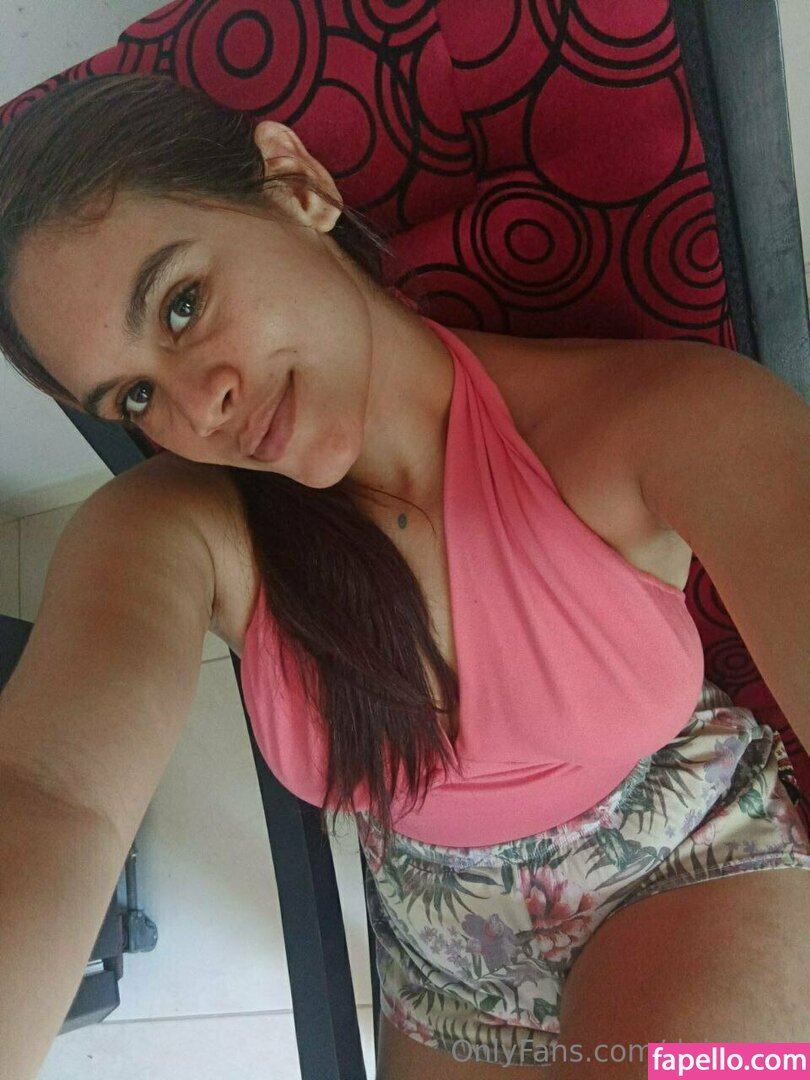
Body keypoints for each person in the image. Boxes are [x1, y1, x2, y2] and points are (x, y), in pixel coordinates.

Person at [0, 72, 809, 1080]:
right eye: (133, 397)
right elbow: (50, 790)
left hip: (694, 866)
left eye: (183, 304)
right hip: (441, 951)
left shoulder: (656, 421)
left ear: (295, 186)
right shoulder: (185, 528)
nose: (197, 412)